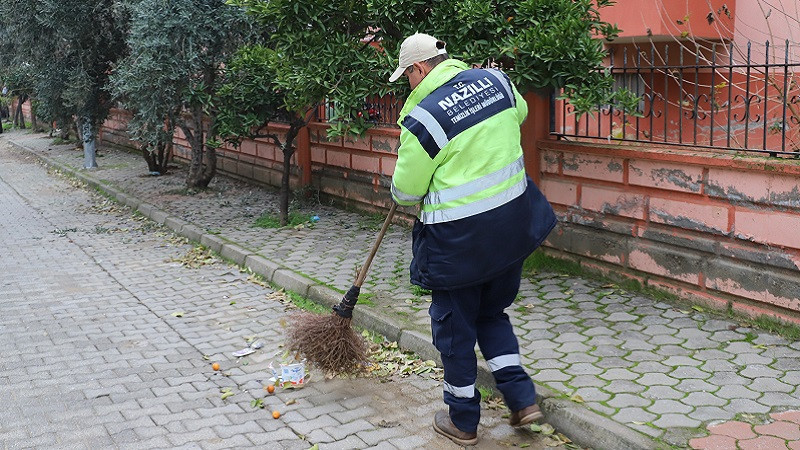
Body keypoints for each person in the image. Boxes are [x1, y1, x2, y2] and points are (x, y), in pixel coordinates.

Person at [388, 33, 557, 446]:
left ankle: (463, 420)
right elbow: (517, 114)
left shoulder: (424, 119)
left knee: (454, 332)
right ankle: (521, 397)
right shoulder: (496, 82)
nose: (407, 85)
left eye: (406, 76)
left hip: (458, 246)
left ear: (419, 69)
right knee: (491, 313)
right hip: (512, 231)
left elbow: (407, 192)